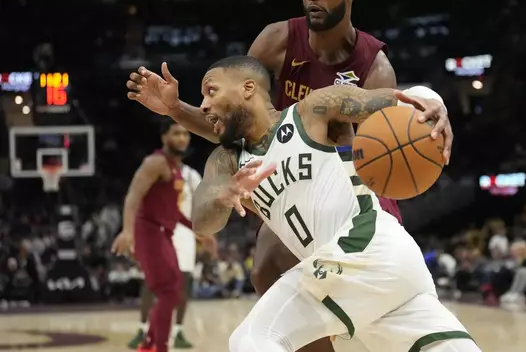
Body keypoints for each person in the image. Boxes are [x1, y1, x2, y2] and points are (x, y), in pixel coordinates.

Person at [126, 0, 453, 349]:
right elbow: (233, 120)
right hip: (285, 174)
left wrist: (432, 105)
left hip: (354, 185)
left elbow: (388, 115)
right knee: (267, 267)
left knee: (264, 330)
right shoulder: (276, 41)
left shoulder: (366, 69)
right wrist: (181, 116)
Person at [148, 56, 475, 352]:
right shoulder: (227, 161)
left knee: (251, 340)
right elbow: (203, 222)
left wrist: (434, 103)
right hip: (386, 274)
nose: (203, 105)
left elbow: (386, 100)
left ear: (248, 88)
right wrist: (223, 195)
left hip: (359, 248)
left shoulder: (313, 110)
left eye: (211, 91)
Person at [112, 119, 214, 352]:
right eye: (176, 133)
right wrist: (127, 232)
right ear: (164, 137)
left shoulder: (176, 168)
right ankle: (158, 346)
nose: (182, 138)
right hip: (149, 231)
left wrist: (199, 233)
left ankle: (149, 343)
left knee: (174, 287)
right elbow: (132, 197)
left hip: (165, 233)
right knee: (169, 290)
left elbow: (174, 211)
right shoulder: (155, 162)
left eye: (185, 134)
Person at [127, 159, 203, 349]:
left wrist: (202, 230)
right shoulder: (156, 168)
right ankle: (143, 330)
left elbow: (201, 203)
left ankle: (178, 331)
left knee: (183, 282)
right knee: (151, 282)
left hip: (184, 230)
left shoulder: (192, 175)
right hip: (159, 227)